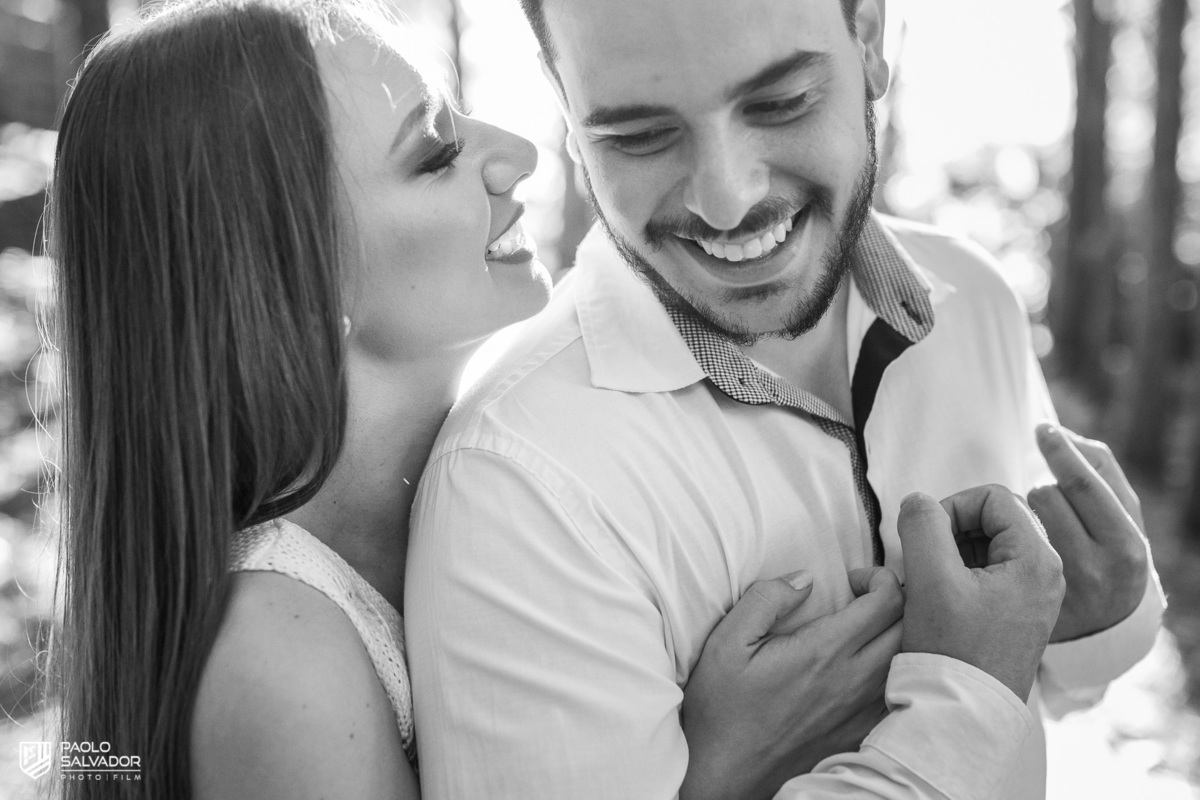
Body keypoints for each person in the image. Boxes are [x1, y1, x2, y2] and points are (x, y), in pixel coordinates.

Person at [47, 2, 1044, 799]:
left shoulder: (499, 465)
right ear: (285, 269)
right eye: (435, 153)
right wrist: (715, 770)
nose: (519, 155)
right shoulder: (281, 652)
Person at [404, 0, 1166, 798]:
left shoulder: (975, 300)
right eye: (638, 135)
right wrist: (963, 700)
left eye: (779, 103)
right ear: (564, 103)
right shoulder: (518, 483)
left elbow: (1037, 682)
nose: (728, 201)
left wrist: (1096, 624)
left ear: (869, 39)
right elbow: (990, 690)